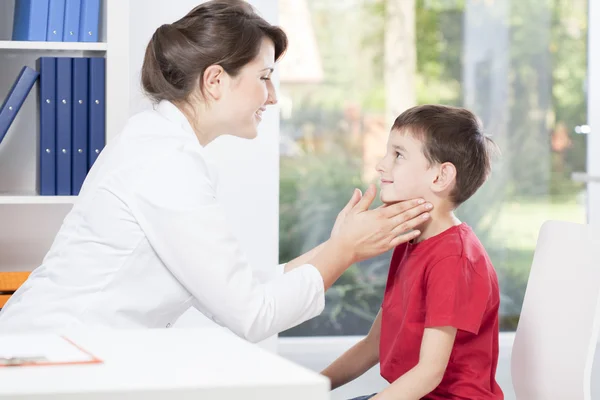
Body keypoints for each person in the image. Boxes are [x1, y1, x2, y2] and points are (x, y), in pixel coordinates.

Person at [0, 0, 432, 343]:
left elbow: (241, 286)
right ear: (214, 80)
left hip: (60, 353)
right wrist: (346, 252)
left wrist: (337, 245)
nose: (273, 96)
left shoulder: (162, 145)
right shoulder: (166, 164)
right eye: (264, 77)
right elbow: (252, 313)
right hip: (49, 359)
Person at [321, 105, 504, 399]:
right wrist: (307, 388)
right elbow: (373, 346)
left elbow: (429, 373)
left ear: (440, 177)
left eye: (398, 155)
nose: (381, 165)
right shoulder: (411, 242)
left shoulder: (455, 259)